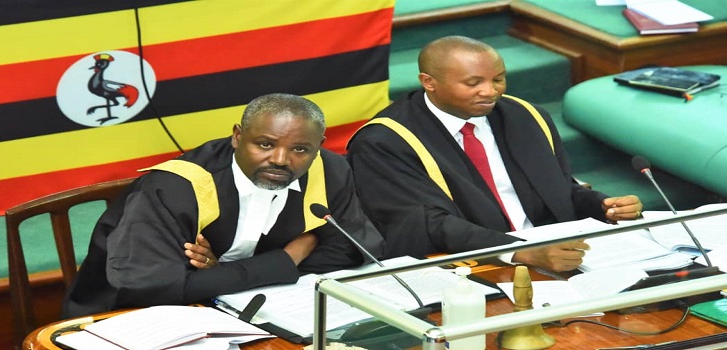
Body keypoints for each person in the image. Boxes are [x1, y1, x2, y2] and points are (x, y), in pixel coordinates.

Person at [62, 93, 385, 318]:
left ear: (319, 147)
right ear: (236, 137)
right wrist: (287, 257)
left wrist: (221, 274)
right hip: (124, 321)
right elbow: (149, 288)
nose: (280, 160)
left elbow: (354, 249)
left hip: (249, 311)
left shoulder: (328, 170)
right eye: (265, 144)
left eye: (300, 149)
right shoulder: (174, 188)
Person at [346, 36, 642, 272]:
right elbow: (429, 224)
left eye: (498, 79)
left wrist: (602, 205)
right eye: (473, 83)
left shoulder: (525, 116)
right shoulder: (384, 141)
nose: (490, 92)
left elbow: (559, 189)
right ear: (429, 82)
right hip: (468, 267)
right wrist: (520, 252)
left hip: (554, 254)